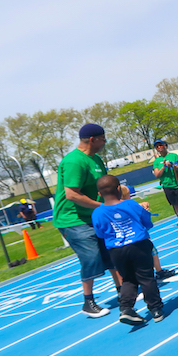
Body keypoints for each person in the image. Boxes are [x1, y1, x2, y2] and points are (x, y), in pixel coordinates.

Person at [53, 123, 122, 318]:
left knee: (112, 252)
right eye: (103, 139)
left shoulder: (96, 159)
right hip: (72, 219)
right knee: (91, 257)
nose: (104, 143)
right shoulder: (75, 161)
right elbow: (72, 195)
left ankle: (122, 292)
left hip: (93, 215)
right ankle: (88, 301)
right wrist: (102, 207)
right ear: (93, 140)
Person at [91, 175, 164, 325]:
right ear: (119, 188)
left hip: (116, 250)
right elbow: (147, 223)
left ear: (99, 194)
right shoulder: (131, 204)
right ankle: (155, 309)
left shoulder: (97, 213)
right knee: (146, 277)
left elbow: (100, 234)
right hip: (138, 245)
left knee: (128, 279)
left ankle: (126, 308)